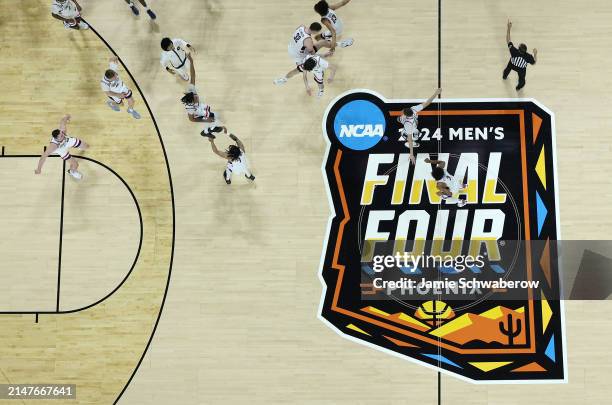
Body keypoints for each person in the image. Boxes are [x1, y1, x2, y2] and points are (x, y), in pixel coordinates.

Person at [273, 23, 350, 85]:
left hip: (292, 47)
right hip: (298, 57)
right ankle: (284, 79)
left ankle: (340, 44)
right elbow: (313, 56)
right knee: (299, 70)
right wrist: (324, 55)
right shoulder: (308, 41)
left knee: (322, 42)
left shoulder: (302, 26)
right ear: (315, 32)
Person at [35, 114, 89, 180]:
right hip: (62, 150)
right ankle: (72, 172)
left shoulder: (62, 130)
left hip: (68, 141)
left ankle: (79, 146)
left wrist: (67, 117)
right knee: (76, 165)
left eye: (62, 134)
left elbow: (63, 119)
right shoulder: (53, 146)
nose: (63, 135)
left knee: (86, 146)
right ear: (56, 138)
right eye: (61, 136)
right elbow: (43, 157)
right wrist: (39, 169)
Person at [398, 88, 441, 164]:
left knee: (400, 122)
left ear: (405, 115)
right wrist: (436, 93)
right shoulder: (414, 109)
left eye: (403, 112)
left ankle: (411, 135)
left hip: (410, 127)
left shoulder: (407, 124)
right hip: (413, 123)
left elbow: (410, 140)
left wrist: (411, 154)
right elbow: (427, 103)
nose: (402, 112)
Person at [504, 19, 537, 91]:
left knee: (507, 70)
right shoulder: (528, 56)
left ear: (518, 49)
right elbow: (534, 63)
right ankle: (518, 87)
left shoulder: (514, 51)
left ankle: (504, 76)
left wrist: (509, 28)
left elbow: (508, 40)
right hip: (521, 69)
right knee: (522, 80)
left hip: (512, 64)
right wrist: (535, 53)